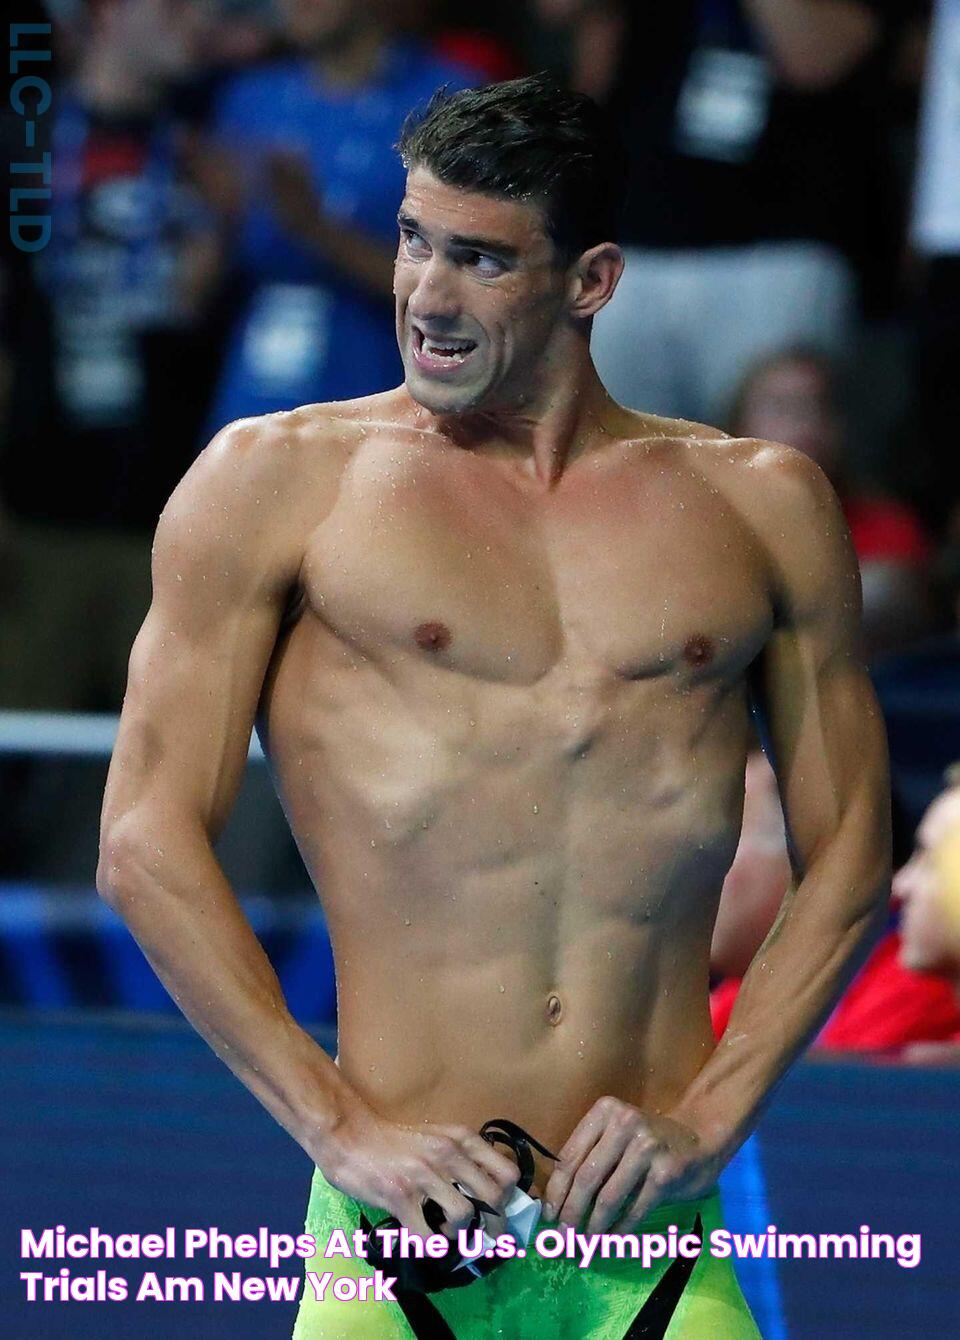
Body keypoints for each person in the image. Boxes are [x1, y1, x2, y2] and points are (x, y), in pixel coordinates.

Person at [98, 75, 891, 1338]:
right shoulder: (272, 484)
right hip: (398, 1239)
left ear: (593, 281)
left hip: (653, 1247)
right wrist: (338, 1124)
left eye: (479, 257)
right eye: (416, 239)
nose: (424, 291)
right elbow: (142, 838)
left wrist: (715, 1113)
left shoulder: (761, 504)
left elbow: (850, 845)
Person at [728, 346, 934, 659]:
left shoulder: (888, 523)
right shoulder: (711, 529)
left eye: (819, 407)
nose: (805, 424)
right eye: (784, 408)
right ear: (738, 427)